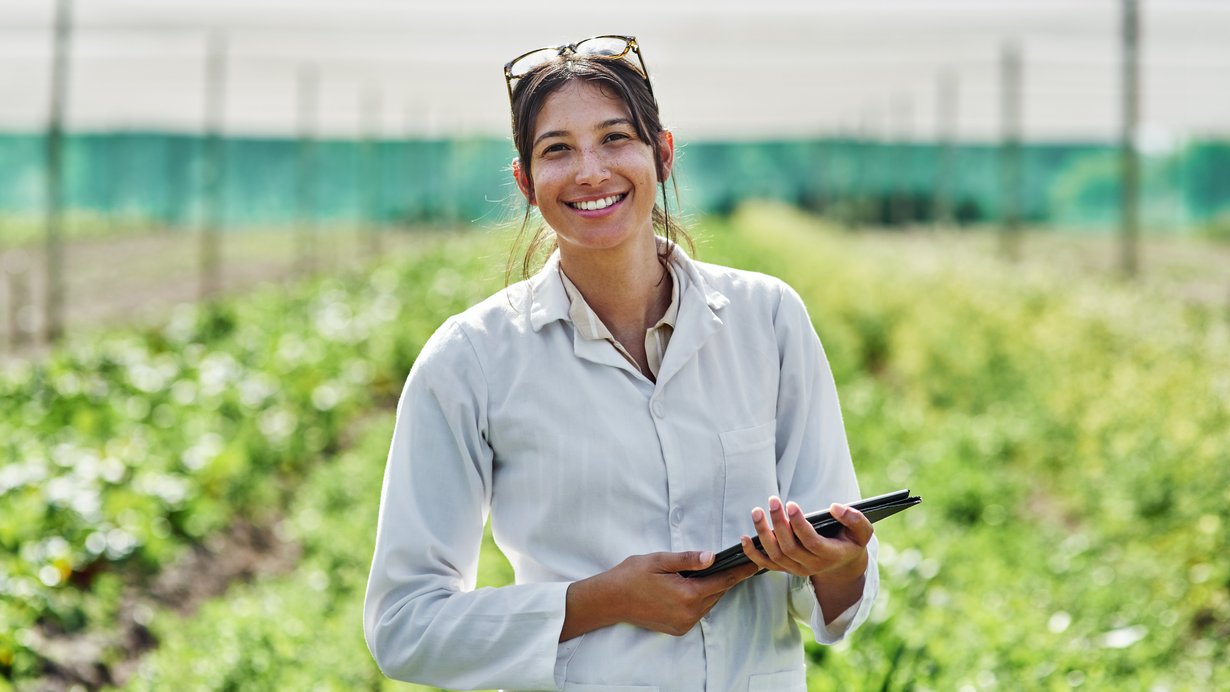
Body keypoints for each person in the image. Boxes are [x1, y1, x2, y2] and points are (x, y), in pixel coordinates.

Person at [363, 35, 878, 691]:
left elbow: (837, 602)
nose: (590, 171)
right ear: (525, 181)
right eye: (557, 150)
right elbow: (405, 629)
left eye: (614, 138)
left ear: (660, 154)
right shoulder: (471, 360)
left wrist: (837, 566)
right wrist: (599, 601)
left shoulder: (768, 319)